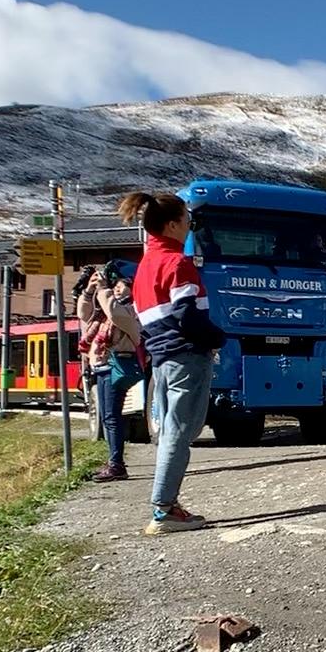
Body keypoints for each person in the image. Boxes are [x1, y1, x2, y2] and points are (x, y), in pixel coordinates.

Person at [122, 190, 227, 534]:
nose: (190, 225)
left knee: (169, 432)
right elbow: (188, 317)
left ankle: (166, 506)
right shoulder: (177, 264)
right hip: (187, 357)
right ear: (171, 225)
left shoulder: (143, 269)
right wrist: (218, 338)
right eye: (187, 219)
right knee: (181, 434)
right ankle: (163, 510)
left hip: (162, 357)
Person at [76, 261, 142, 481]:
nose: (117, 288)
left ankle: (117, 464)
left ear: (133, 288)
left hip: (117, 365)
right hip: (103, 366)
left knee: (112, 417)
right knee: (108, 417)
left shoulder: (132, 310)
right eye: (116, 285)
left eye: (122, 286)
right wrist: (89, 290)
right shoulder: (106, 308)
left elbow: (115, 314)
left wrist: (104, 290)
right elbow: (84, 315)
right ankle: (114, 462)